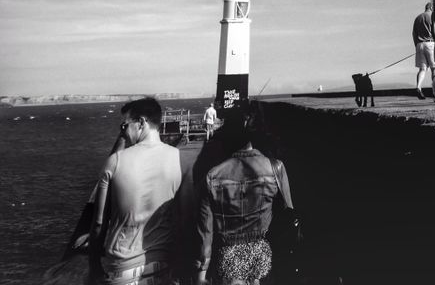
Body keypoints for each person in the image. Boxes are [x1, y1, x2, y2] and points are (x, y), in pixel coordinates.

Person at [194, 102, 295, 285]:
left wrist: (201, 275)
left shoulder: (212, 176)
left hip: (228, 260)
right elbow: (289, 217)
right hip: (264, 258)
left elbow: (205, 233)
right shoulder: (275, 168)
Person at [89, 96, 182, 285]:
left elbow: (99, 224)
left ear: (141, 123)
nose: (122, 132)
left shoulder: (115, 162)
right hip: (162, 265)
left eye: (124, 126)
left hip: (122, 268)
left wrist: (93, 266)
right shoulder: (179, 158)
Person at [412, 0, 435, 99]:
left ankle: (418, 87)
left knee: (422, 69)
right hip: (431, 43)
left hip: (419, 44)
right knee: (434, 68)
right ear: (432, 8)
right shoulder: (433, 16)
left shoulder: (418, 18)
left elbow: (414, 34)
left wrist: (417, 45)